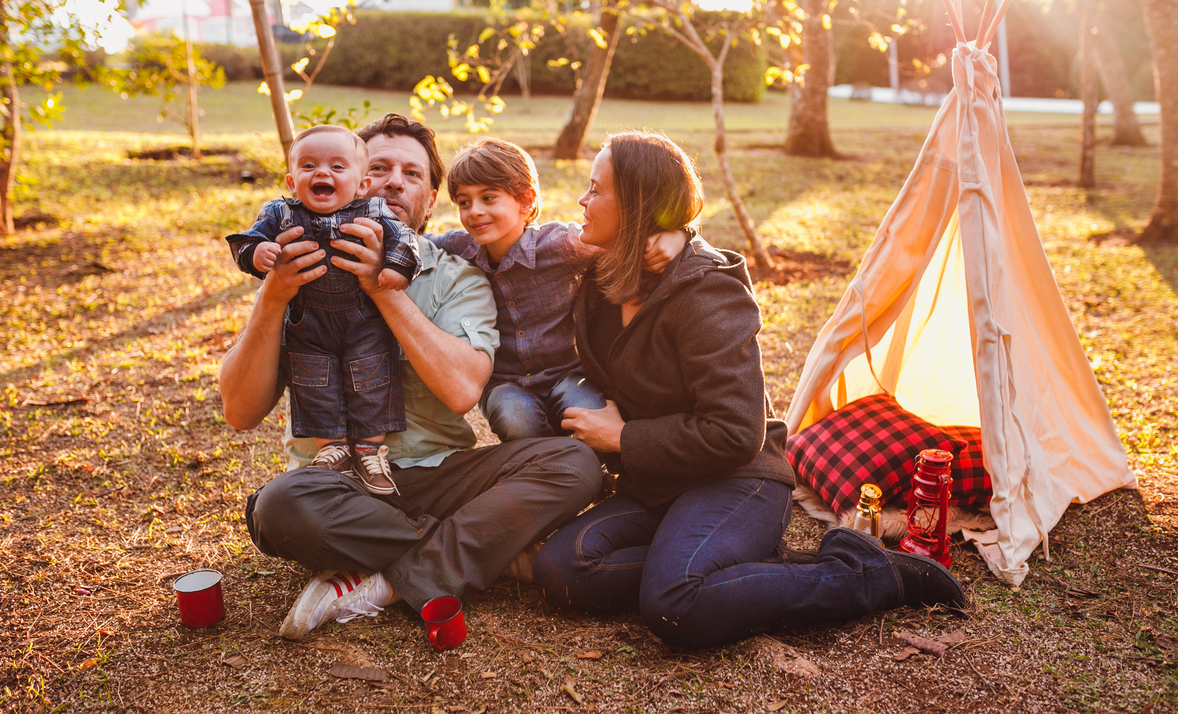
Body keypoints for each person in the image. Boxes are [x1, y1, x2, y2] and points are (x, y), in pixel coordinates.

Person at [532, 130, 966, 650]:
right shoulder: (601, 274)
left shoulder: (705, 291)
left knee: (674, 605)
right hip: (658, 484)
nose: (582, 199)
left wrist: (625, 438)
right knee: (562, 570)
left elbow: (736, 432)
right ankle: (728, 566)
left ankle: (866, 573)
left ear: (639, 205)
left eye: (595, 189)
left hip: (738, 479)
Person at [220, 114, 602, 642]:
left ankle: (389, 574)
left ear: (430, 200)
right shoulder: (294, 262)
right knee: (279, 506)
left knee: (575, 462)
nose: (394, 182)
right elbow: (240, 412)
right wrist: (274, 297)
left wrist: (384, 288)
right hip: (337, 485)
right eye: (378, 168)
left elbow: (462, 390)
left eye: (413, 174)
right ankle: (489, 553)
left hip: (440, 476)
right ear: (354, 179)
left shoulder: (456, 277)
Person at [427, 136, 685, 441]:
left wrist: (679, 233)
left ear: (526, 200)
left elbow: (626, 240)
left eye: (488, 198)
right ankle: (543, 467)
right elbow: (415, 244)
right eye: (464, 202)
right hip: (505, 382)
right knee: (514, 418)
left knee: (587, 409)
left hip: (569, 375)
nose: (474, 212)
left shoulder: (561, 245)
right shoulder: (458, 248)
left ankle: (587, 470)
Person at [226, 125, 420, 495]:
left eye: (336, 167)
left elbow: (403, 239)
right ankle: (331, 449)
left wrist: (394, 267)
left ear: (360, 186)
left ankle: (368, 450)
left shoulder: (375, 210)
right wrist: (257, 255)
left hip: (364, 323)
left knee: (372, 377)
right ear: (291, 179)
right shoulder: (281, 213)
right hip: (308, 322)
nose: (322, 173)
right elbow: (249, 240)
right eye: (309, 165)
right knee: (314, 381)